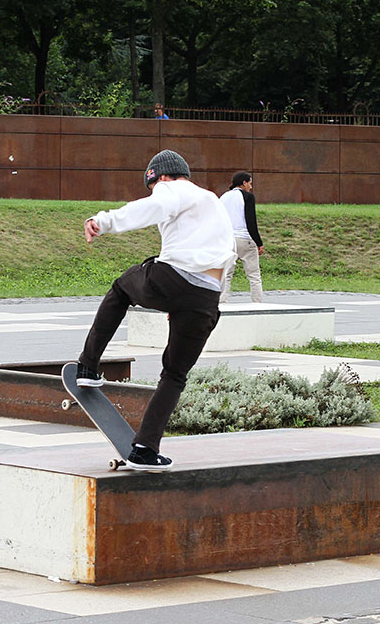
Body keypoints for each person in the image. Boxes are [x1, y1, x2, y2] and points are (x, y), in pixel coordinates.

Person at [76, 149, 235, 471]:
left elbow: (151, 207)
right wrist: (182, 304)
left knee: (121, 289)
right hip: (206, 298)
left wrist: (102, 222)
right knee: (175, 375)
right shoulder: (212, 202)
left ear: (160, 177)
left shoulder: (172, 187)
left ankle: (87, 367)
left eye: (152, 185)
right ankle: (145, 450)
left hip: (174, 278)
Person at [219, 171, 266, 303]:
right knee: (254, 275)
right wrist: (259, 242)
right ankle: (257, 304)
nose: (250, 187)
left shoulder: (223, 197)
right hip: (244, 239)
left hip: (227, 241)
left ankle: (221, 304)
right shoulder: (248, 197)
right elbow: (251, 221)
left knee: (226, 275)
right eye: (250, 183)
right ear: (244, 183)